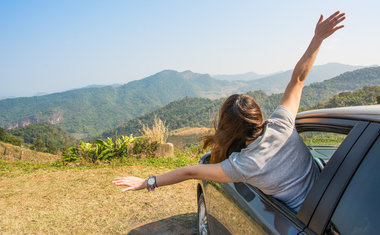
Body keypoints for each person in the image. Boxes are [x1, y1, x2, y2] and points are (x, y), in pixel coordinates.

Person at [113, 11, 346, 211]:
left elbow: (188, 172)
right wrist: (318, 38)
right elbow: (298, 79)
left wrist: (146, 183)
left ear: (228, 128)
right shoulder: (281, 125)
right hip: (334, 204)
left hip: (306, 218)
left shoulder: (243, 166)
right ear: (259, 116)